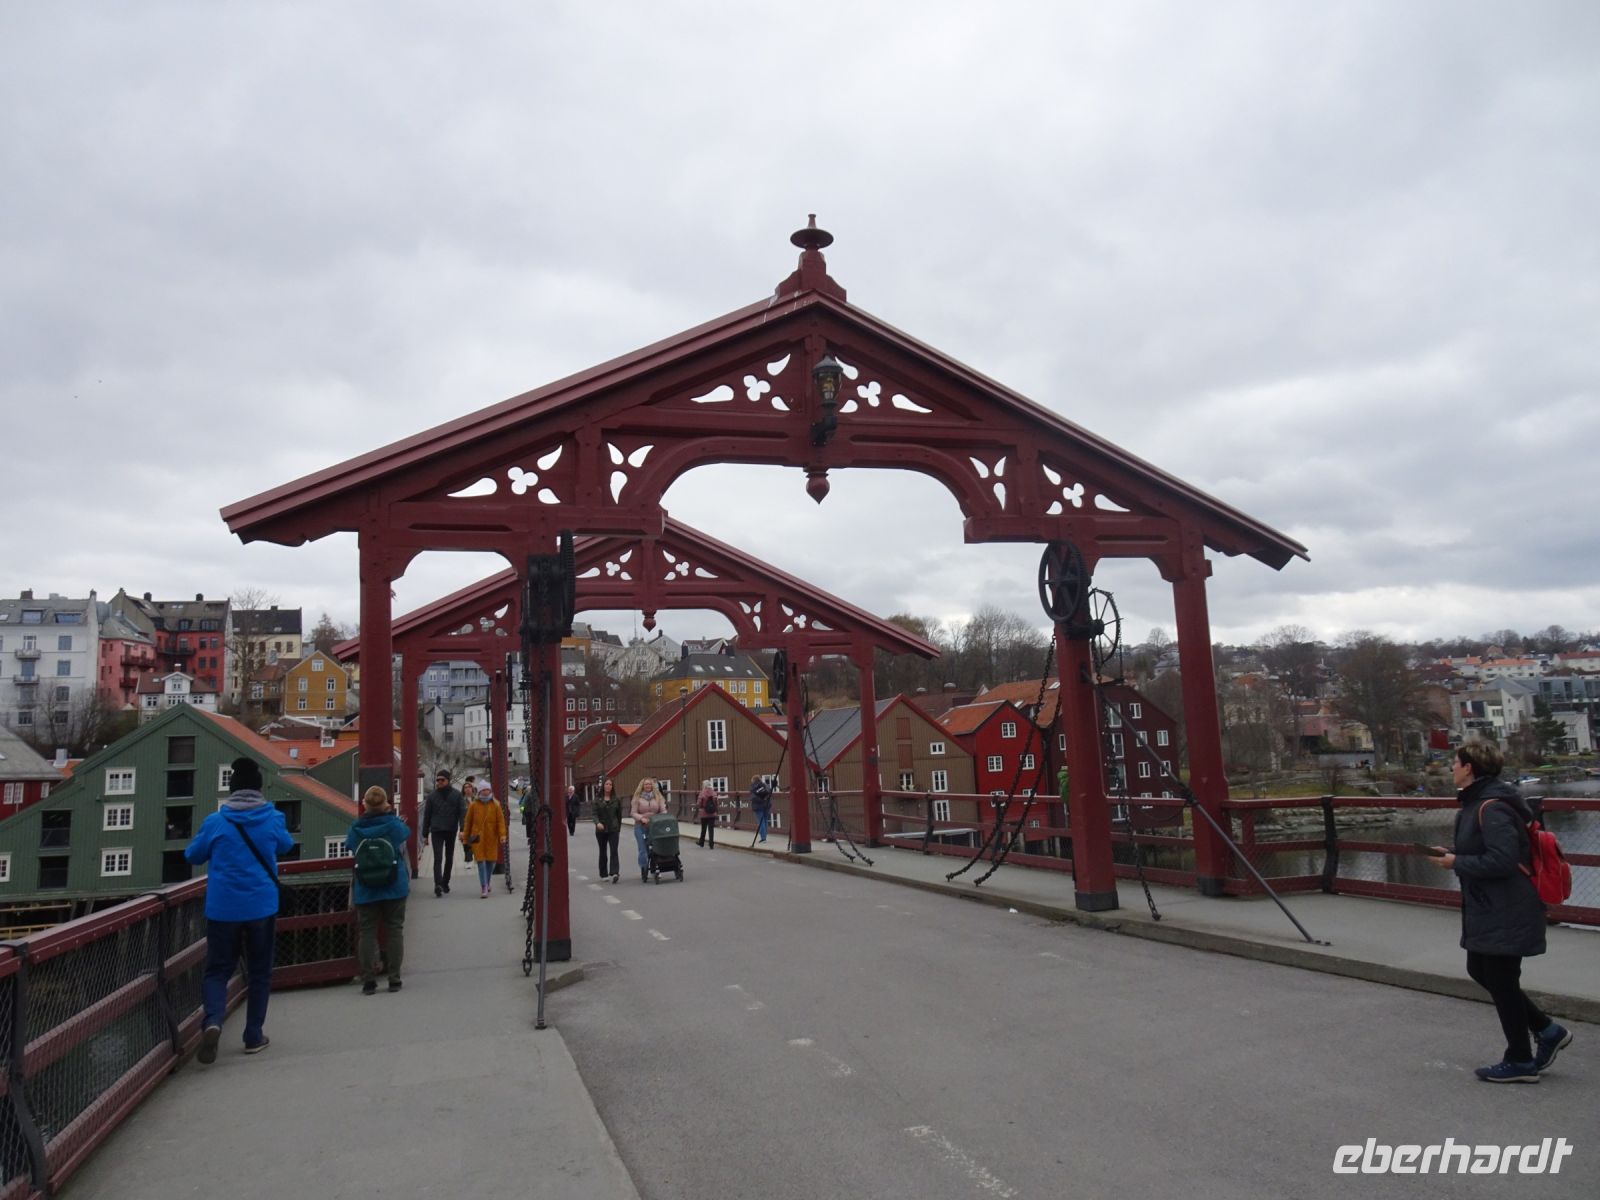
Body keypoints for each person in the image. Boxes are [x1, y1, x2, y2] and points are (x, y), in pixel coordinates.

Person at [1424, 741, 1571, 1083]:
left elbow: (1504, 860)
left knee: (1501, 978)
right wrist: (1452, 853)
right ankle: (1546, 1030)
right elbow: (1488, 849)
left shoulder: (1492, 807)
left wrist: (1457, 862)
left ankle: (1520, 1059)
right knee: (1480, 968)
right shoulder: (1481, 802)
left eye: (1455, 763)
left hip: (1507, 906)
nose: (1451, 768)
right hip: (1492, 905)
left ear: (1469, 768)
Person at [185, 756, 293, 1061]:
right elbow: (285, 846)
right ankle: (253, 1035)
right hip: (261, 906)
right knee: (260, 971)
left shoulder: (216, 821)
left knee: (218, 970)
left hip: (223, 908)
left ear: (231, 789)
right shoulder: (272, 818)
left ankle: (214, 1021)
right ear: (259, 788)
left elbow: (193, 855)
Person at [345, 785, 410, 995]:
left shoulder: (356, 829)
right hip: (394, 884)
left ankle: (369, 981)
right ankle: (394, 979)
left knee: (367, 932)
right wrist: (391, 813)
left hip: (366, 886)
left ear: (364, 804)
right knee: (394, 929)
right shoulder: (393, 825)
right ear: (385, 803)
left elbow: (350, 846)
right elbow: (404, 838)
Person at [421, 769, 465, 897]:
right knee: (438, 857)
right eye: (438, 780)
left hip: (451, 829)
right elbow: (427, 816)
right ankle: (438, 884)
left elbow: (462, 813)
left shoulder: (457, 795)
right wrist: (425, 834)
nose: (439, 782)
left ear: (448, 780)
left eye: (442, 780)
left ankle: (445, 881)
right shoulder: (431, 796)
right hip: (436, 830)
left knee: (449, 857)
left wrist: (462, 829)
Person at [461, 781, 508, 898]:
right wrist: (465, 837)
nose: (485, 791)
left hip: (492, 838)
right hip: (478, 838)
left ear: (490, 791)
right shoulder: (474, 805)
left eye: (487, 789)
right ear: (480, 791)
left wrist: (502, 835)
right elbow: (468, 822)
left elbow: (501, 822)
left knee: (491, 862)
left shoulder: (496, 805)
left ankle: (487, 882)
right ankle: (484, 887)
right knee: (481, 862)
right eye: (483, 790)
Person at [631, 778, 666, 882]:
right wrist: (641, 818)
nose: (648, 786)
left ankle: (656, 868)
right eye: (646, 784)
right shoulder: (637, 798)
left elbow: (663, 810)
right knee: (643, 849)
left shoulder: (658, 797)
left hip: (654, 825)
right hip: (641, 826)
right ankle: (644, 866)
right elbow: (633, 812)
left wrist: (660, 817)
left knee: (656, 848)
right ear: (642, 786)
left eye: (649, 784)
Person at [593, 777, 622, 883]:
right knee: (603, 851)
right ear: (603, 786)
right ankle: (603, 873)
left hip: (613, 828)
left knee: (614, 850)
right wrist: (597, 823)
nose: (608, 786)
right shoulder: (597, 800)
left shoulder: (616, 799)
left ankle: (615, 872)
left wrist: (618, 827)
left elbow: (619, 815)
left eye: (610, 784)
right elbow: (594, 814)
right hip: (601, 829)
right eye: (606, 784)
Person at [749, 774, 773, 843]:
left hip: (758, 806)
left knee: (760, 822)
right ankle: (765, 836)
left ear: (753, 780)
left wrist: (759, 800)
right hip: (766, 806)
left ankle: (763, 838)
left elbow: (753, 798)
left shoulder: (753, 787)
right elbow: (770, 793)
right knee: (765, 821)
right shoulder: (765, 785)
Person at [696, 780, 718, 848]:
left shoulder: (702, 793)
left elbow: (699, 803)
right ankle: (711, 844)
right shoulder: (714, 793)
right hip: (712, 813)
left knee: (703, 828)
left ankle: (701, 842)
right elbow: (717, 803)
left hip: (704, 813)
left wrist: (700, 807)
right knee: (711, 829)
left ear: (704, 785)